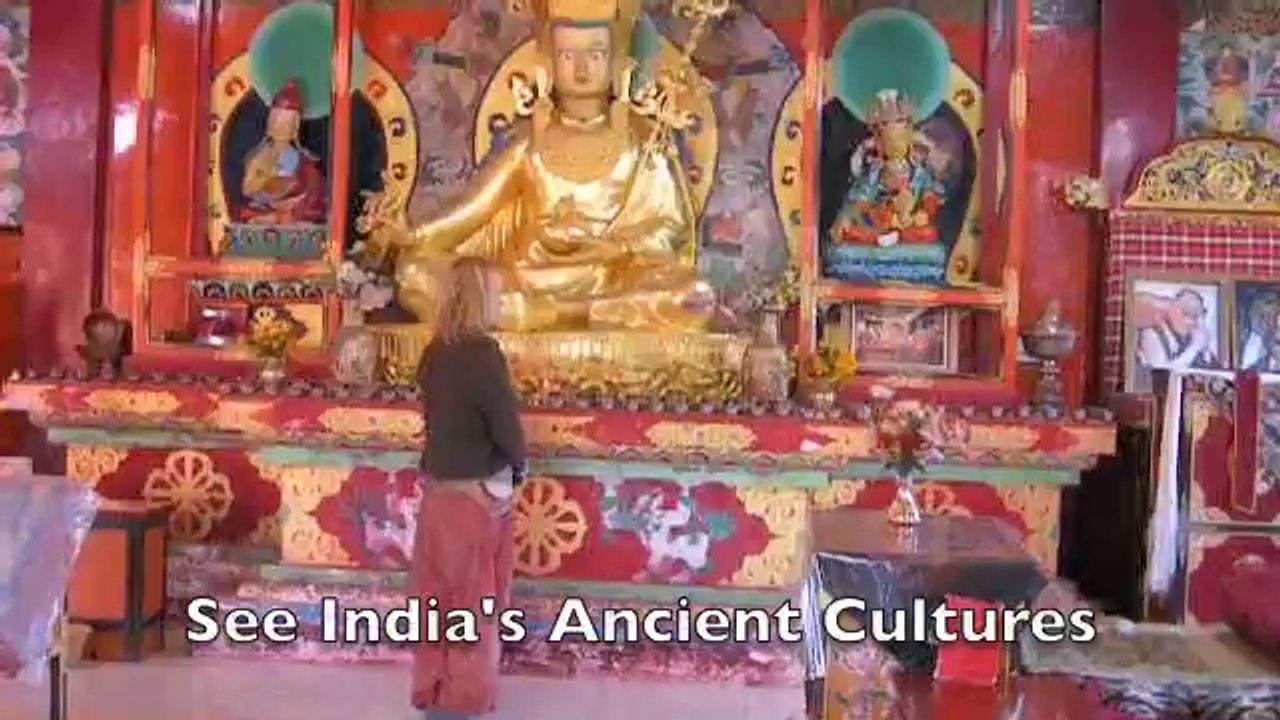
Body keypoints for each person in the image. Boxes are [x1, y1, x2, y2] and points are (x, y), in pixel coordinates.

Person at [412, 256, 526, 720]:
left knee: (435, 602)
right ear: (481, 298)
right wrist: (518, 470)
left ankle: (434, 696)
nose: (501, 301)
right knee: (475, 607)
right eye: (496, 293)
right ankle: (460, 705)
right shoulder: (484, 354)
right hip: (476, 496)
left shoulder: (434, 352)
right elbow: (506, 428)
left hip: (437, 493)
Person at [1132, 288, 1219, 390]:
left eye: (1199, 315)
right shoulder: (1152, 335)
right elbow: (1162, 378)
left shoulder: (1188, 337)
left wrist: (1205, 351)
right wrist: (1194, 347)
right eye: (1187, 314)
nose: (1195, 323)